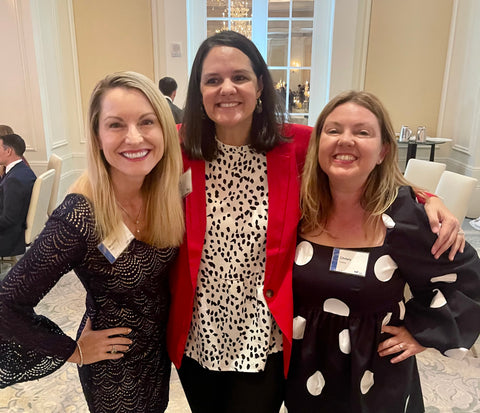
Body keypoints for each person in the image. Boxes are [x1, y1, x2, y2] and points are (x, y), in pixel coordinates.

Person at [166, 30, 463, 413]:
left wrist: (428, 196)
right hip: (198, 334)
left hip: (265, 336)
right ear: (198, 91)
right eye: (213, 80)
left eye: (239, 77)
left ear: (259, 86)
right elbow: (121, 161)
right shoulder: (176, 147)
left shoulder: (294, 144)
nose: (227, 88)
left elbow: (362, 163)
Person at [0, 71, 185, 412]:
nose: (134, 137)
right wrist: (73, 350)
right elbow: (6, 305)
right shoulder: (81, 216)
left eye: (147, 121)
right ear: (97, 137)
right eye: (116, 125)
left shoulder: (166, 196)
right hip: (114, 370)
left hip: (157, 358)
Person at [285, 90, 480, 412]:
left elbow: (467, 279)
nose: (345, 140)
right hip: (306, 371)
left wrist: (421, 333)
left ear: (382, 151)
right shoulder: (300, 209)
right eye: (334, 130)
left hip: (375, 377)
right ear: (317, 144)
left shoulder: (405, 218)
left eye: (362, 132)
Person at [0, 133, 36, 257]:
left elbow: (8, 219)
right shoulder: (23, 170)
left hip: (9, 239)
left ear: (8, 151)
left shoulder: (14, 180)